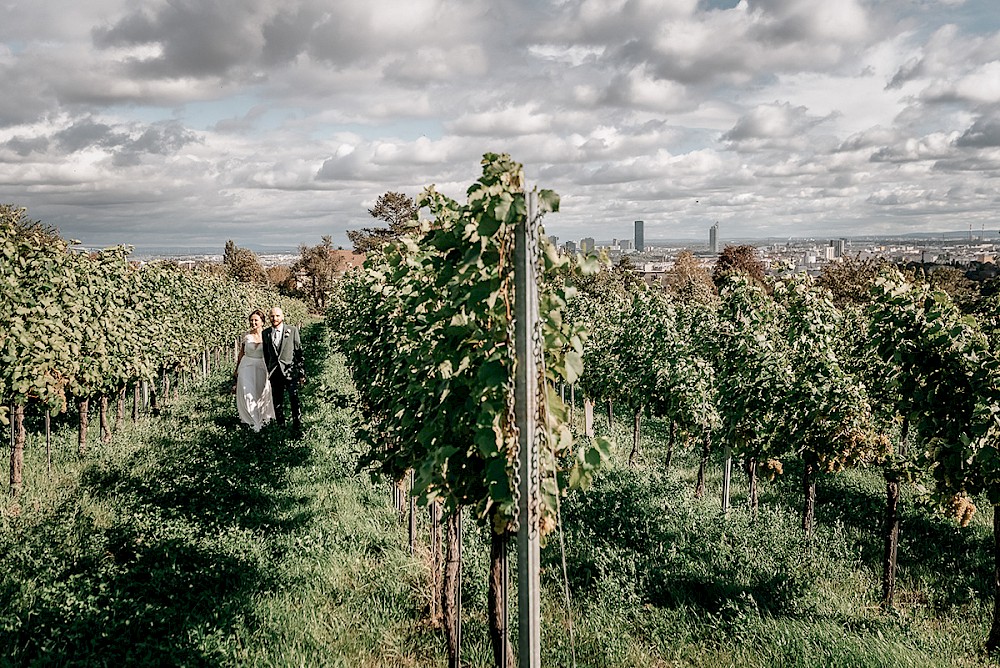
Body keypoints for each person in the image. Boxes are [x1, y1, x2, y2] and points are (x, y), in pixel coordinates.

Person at [262, 306, 304, 435]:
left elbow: (298, 352)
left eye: (277, 316)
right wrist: (270, 368)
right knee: (277, 399)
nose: (274, 318)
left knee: (294, 398)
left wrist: (301, 372)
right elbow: (266, 353)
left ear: (282, 317)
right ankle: (281, 425)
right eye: (272, 316)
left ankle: (297, 424)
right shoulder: (266, 333)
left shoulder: (292, 331)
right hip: (275, 372)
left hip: (290, 370)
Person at [233, 309, 276, 432]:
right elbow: (241, 354)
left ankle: (261, 418)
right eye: (251, 320)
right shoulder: (246, 336)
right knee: (247, 392)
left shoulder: (268, 335)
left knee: (260, 393)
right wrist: (236, 369)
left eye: (256, 320)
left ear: (262, 322)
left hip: (261, 366)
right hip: (246, 366)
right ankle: (251, 421)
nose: (253, 322)